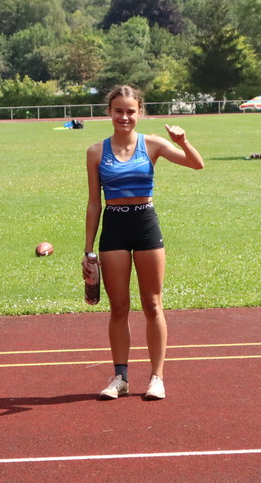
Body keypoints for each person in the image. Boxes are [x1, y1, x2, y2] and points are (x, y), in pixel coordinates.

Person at [81, 85, 204, 400]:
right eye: (118, 111)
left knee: (152, 303)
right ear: (110, 112)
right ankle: (120, 378)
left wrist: (183, 141)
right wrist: (88, 250)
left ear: (140, 113)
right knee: (119, 307)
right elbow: (94, 203)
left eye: (130, 111)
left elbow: (196, 164)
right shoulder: (95, 152)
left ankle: (157, 378)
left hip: (145, 224)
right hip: (114, 227)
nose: (124, 117)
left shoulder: (153, 144)